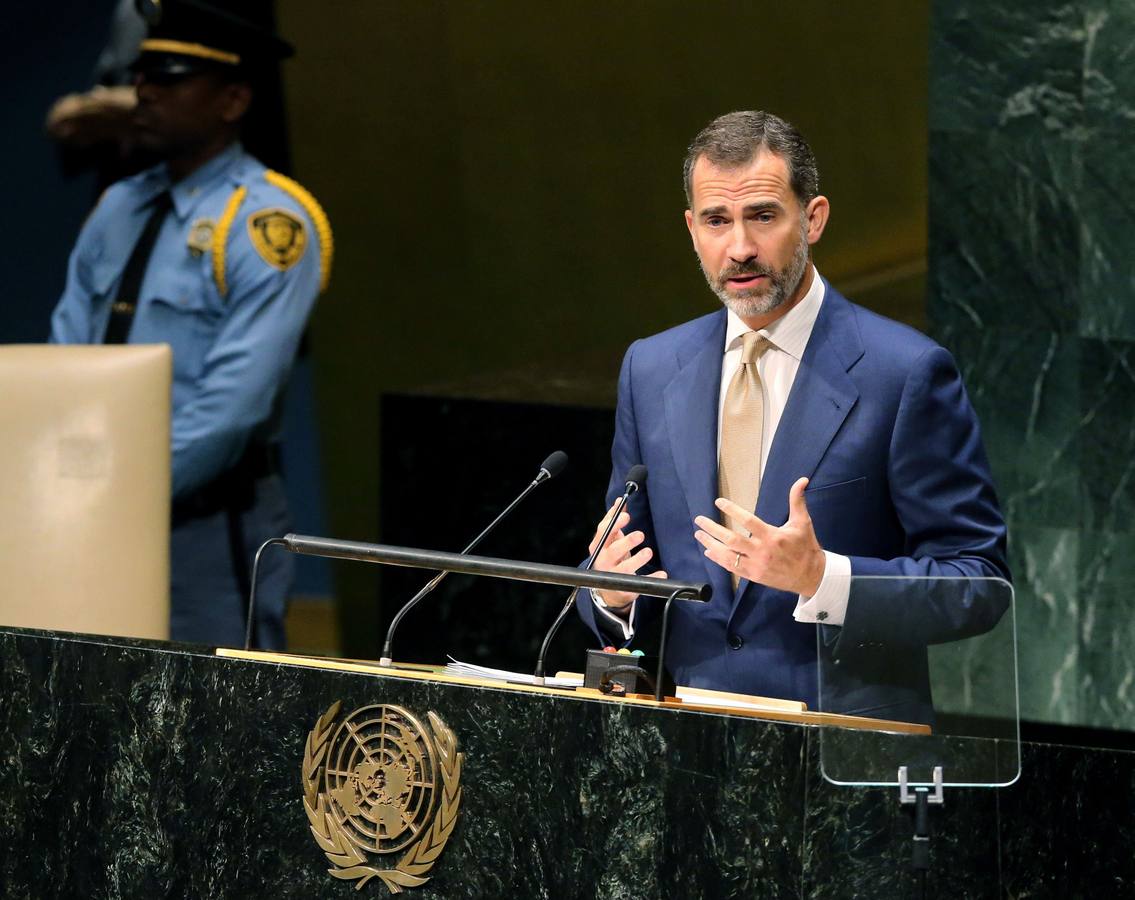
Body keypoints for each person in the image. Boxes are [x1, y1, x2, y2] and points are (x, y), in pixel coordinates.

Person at [576, 110, 1008, 723]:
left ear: (814, 218)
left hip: (844, 761)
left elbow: (979, 583)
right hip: (683, 751)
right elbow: (626, 553)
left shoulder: (903, 372)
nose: (741, 247)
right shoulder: (650, 369)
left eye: (763, 216)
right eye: (717, 221)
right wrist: (611, 595)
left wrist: (823, 577)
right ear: (691, 228)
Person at [49, 0, 332, 649]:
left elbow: (230, 409)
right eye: (144, 72)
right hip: (89, 504)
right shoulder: (118, 206)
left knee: (217, 719)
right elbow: (65, 353)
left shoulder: (268, 225)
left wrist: (112, 488)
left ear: (232, 99)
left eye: (171, 78)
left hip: (208, 520)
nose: (143, 91)